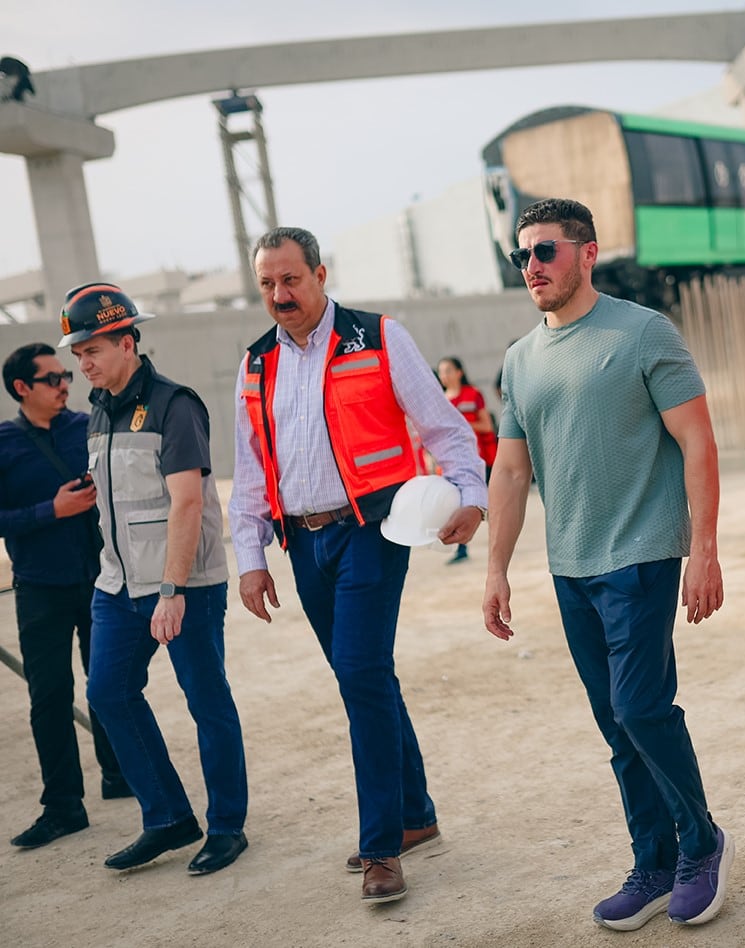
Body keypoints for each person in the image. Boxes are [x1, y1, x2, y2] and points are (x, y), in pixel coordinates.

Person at [483, 198, 731, 932]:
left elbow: (699, 444)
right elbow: (509, 471)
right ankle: (652, 860)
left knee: (640, 708)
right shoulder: (520, 359)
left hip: (644, 554)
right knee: (614, 724)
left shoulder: (643, 331)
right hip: (572, 566)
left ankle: (701, 843)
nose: (532, 266)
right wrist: (495, 569)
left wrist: (705, 551)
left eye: (546, 251)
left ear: (586, 254)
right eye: (521, 255)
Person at [228, 226, 487, 905]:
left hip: (373, 530)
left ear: (319, 273)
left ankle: (382, 847)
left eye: (291, 279)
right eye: (267, 284)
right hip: (303, 545)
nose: (280, 295)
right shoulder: (254, 363)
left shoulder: (377, 337)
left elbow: (441, 425)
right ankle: (416, 814)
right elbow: (251, 467)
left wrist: (472, 495)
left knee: (361, 676)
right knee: (362, 672)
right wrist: (250, 558)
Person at [59, 283, 249, 875]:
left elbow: (188, 502)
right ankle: (166, 817)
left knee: (206, 700)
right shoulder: (98, 408)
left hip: (182, 584)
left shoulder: (175, 404)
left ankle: (226, 828)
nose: (82, 364)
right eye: (77, 353)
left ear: (126, 340)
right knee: (107, 693)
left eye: (91, 350)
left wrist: (171, 590)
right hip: (116, 586)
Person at [1, 343, 130, 852]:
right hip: (39, 588)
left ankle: (119, 776)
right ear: (21, 389)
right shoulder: (4, 444)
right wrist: (49, 511)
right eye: (52, 378)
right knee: (49, 696)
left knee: (107, 686)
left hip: (101, 579)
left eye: (65, 377)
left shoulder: (90, 425)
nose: (64, 384)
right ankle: (63, 807)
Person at [436, 355, 497, 564]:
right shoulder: (440, 401)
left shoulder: (473, 394)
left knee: (491, 504)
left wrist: (463, 427)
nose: (444, 375)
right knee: (456, 506)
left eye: (448, 370)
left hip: (479, 459)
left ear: (459, 373)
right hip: (453, 464)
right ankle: (461, 548)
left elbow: (487, 425)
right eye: (441, 371)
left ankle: (499, 542)